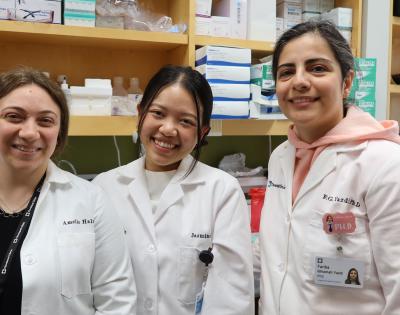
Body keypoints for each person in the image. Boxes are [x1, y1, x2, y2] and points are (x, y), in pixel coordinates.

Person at [259, 20, 400, 315]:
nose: (299, 81)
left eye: (317, 68)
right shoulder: (281, 157)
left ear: (346, 82)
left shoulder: (385, 164)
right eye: (287, 72)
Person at [93, 65, 254, 315]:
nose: (168, 129)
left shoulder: (222, 191)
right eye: (158, 113)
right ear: (140, 113)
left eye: (185, 121)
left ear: (202, 133)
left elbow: (230, 297)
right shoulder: (104, 188)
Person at [0, 67, 136, 315]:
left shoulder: (91, 201)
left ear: (59, 134)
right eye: (14, 116)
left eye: (45, 120)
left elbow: (117, 302)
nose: (30, 132)